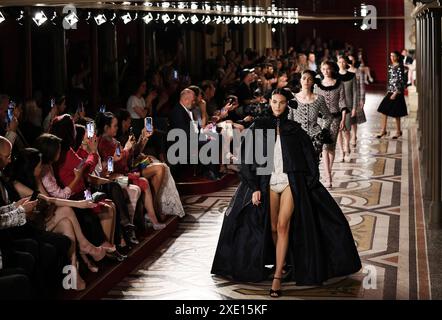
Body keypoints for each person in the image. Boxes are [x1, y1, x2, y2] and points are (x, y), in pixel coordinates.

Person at [211, 88, 361, 297]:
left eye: (281, 102)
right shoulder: (258, 127)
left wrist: (307, 183)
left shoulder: (295, 130)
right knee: (273, 227)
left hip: (290, 183)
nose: (277, 106)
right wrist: (254, 187)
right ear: (270, 102)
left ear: (287, 104)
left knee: (283, 226)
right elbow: (247, 159)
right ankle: (283, 262)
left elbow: (309, 159)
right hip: (268, 183)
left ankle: (277, 277)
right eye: (274, 102)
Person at [314, 61, 347, 188]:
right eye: (323, 69)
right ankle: (328, 176)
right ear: (321, 70)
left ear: (332, 69)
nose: (325, 71)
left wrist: (343, 119)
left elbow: (342, 102)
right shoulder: (317, 86)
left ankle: (329, 171)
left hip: (335, 118)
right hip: (322, 119)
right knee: (323, 147)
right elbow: (315, 102)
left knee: (330, 147)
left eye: (328, 69)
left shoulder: (339, 84)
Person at [288, 70, 332, 161]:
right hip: (297, 138)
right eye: (304, 78)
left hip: (315, 138)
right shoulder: (293, 99)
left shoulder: (319, 99)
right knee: (299, 164)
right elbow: (289, 119)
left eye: (309, 79)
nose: (306, 81)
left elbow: (328, 116)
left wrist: (323, 131)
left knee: (313, 165)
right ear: (300, 80)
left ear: (313, 82)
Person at [376, 51, 408, 139]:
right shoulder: (390, 66)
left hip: (397, 92)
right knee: (383, 109)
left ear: (397, 57)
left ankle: (398, 131)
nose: (392, 57)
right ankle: (383, 130)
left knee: (396, 113)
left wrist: (395, 93)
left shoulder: (400, 67)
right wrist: (389, 91)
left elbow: (401, 81)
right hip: (391, 90)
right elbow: (390, 80)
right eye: (390, 56)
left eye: (393, 56)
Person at [337, 56, 357, 162]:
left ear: (346, 63)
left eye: (343, 62)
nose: (341, 64)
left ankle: (347, 148)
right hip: (337, 107)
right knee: (338, 131)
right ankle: (341, 151)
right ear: (337, 63)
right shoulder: (335, 76)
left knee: (347, 129)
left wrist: (354, 107)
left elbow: (355, 92)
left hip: (348, 106)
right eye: (339, 62)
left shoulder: (352, 75)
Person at [348, 54, 367, 147]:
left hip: (356, 97)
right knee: (348, 119)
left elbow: (362, 86)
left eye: (351, 60)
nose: (349, 62)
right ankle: (349, 136)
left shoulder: (358, 72)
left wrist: (362, 99)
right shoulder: (344, 72)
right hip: (347, 98)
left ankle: (354, 136)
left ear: (354, 61)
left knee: (354, 119)